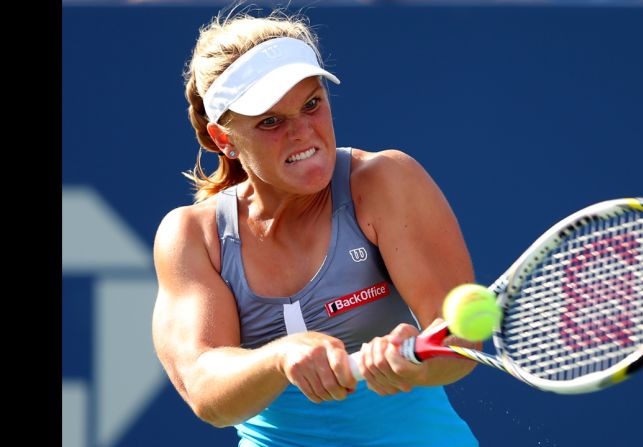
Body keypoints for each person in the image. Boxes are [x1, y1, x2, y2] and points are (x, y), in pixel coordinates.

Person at [152, 8, 480, 447]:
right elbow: (205, 391)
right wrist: (280, 356)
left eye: (312, 104)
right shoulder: (193, 238)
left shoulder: (386, 181)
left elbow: (460, 343)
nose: (303, 133)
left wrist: (413, 361)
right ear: (224, 139)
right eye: (270, 121)